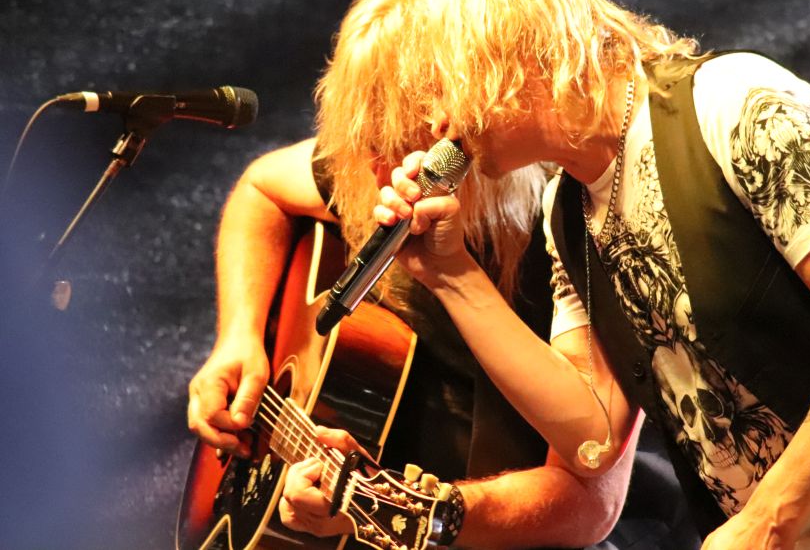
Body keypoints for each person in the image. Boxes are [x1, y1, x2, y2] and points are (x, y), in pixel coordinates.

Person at [315, 0, 810, 549]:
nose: (439, 120)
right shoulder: (568, 212)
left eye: (442, 87)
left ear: (509, 56)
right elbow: (592, 435)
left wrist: (769, 517)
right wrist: (450, 275)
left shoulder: (735, 102)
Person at [186, 138, 694, 546]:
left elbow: (588, 505)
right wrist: (239, 337)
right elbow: (262, 187)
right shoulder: (379, 170)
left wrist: (411, 510)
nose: (373, 169)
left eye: (394, 142)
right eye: (367, 139)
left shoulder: (574, 232)